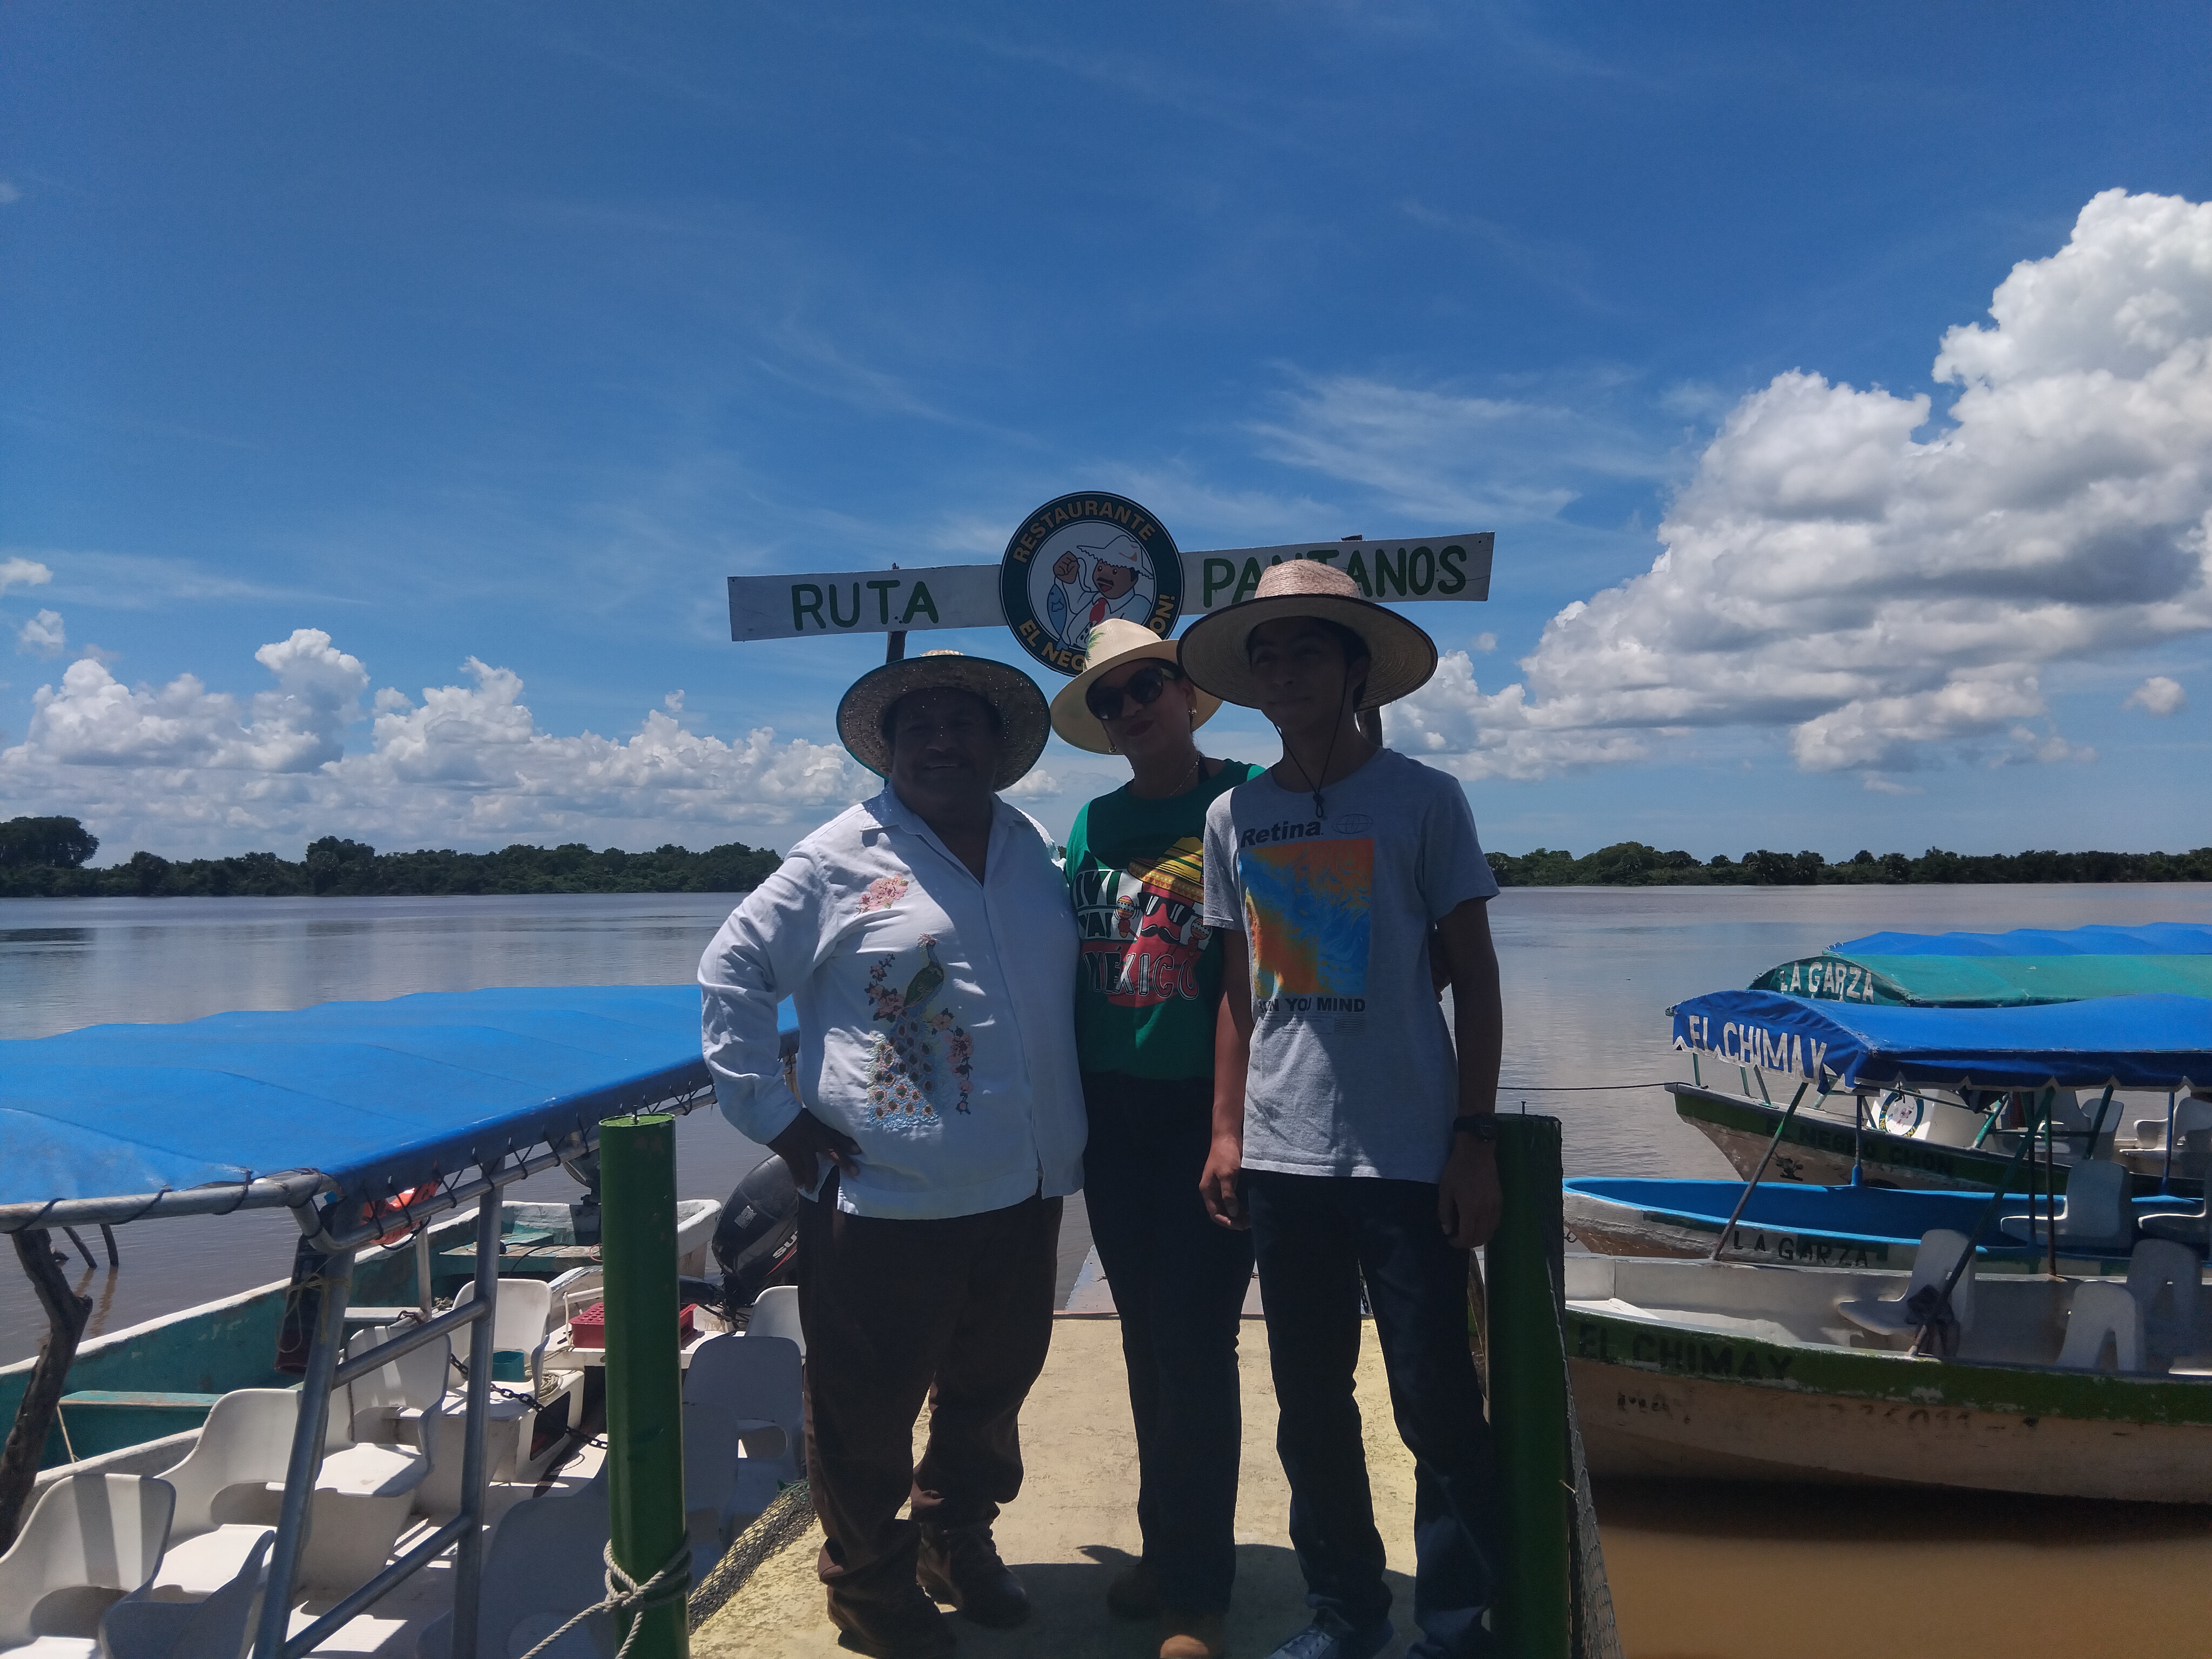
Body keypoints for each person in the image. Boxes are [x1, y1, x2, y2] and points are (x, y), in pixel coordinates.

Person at [698, 650, 1085, 1659]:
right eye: (923, 728)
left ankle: (954, 1539)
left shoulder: (1034, 847)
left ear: (1000, 748)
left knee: (994, 1386)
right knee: (865, 1411)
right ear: (892, 748)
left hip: (1026, 1178)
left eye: (966, 726)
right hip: (887, 1196)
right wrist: (773, 1119)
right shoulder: (837, 857)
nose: (945, 743)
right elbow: (732, 971)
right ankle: (868, 1588)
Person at [1181, 561, 1507, 1659]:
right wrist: (1227, 1130)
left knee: (1434, 1405)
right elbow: (1239, 994)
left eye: (1305, 649)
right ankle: (1345, 1617)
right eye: (1263, 654)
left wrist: (1472, 1139)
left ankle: (1459, 1623)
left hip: (1407, 1154)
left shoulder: (1423, 799)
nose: (1281, 670)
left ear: (1356, 669)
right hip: (1283, 1159)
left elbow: (1476, 973)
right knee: (1309, 1410)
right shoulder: (1236, 813)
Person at [1049, 618, 1267, 1659]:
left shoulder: (1245, 802)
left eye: (1148, 687)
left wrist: (1230, 1128)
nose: (1132, 708)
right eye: (1111, 699)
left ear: (1189, 692)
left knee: (1200, 1345)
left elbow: (1252, 977)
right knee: (1147, 1343)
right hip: (1113, 1114)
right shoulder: (1092, 823)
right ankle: (1164, 1548)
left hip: (1206, 1111)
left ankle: (1200, 1593)